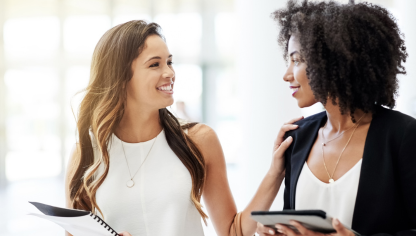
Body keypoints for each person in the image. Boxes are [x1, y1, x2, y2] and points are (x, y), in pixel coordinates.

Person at [65, 20, 296, 236]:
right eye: (155, 64)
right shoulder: (87, 153)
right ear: (120, 76)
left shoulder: (198, 140)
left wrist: (275, 174)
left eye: (169, 62)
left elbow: (232, 230)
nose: (169, 73)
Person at [256, 0, 416, 236]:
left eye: (297, 60)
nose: (287, 74)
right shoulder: (298, 137)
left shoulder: (403, 135)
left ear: (330, 60)